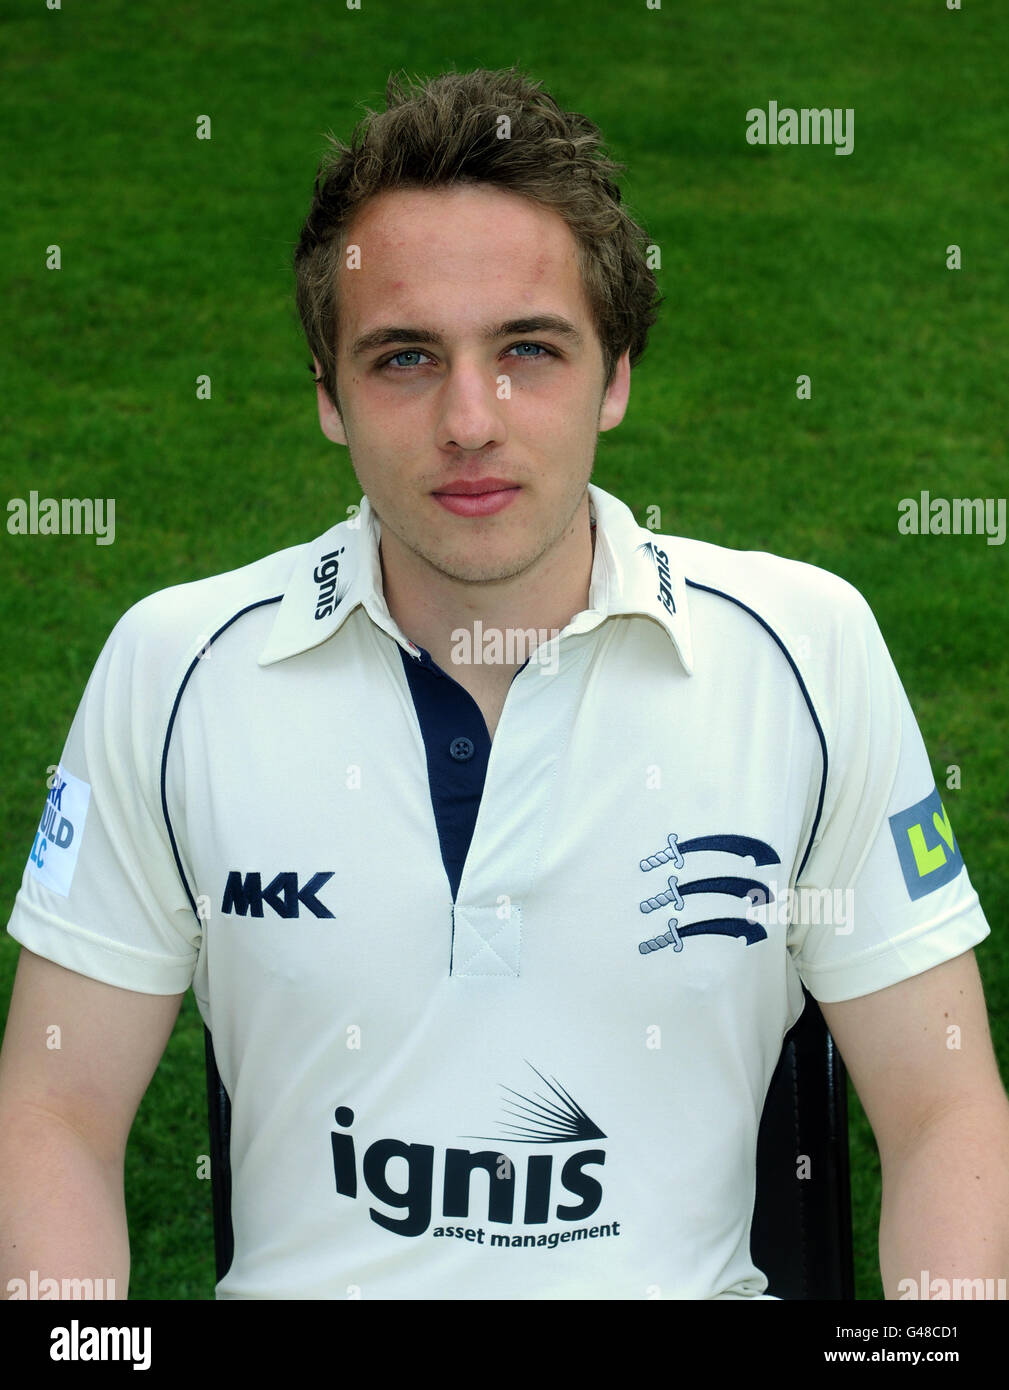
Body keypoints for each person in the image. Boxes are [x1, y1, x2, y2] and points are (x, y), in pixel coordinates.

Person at [2, 66, 1007, 1302]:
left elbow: (943, 1106)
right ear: (327, 395)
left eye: (528, 350)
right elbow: (53, 1107)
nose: (469, 420)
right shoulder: (173, 669)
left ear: (616, 374)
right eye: (405, 358)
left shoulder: (806, 650)